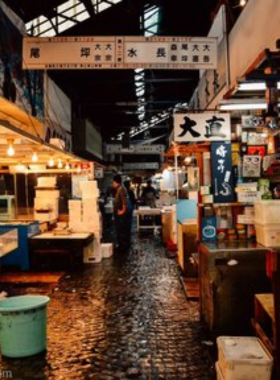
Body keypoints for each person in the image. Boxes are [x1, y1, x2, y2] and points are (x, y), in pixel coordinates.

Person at [112, 174, 132, 254]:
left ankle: (123, 247)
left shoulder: (121, 189)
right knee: (120, 230)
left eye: (113, 182)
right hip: (119, 213)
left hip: (121, 215)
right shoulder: (120, 189)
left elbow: (124, 202)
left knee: (122, 230)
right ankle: (121, 245)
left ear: (116, 182)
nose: (113, 183)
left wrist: (122, 211)